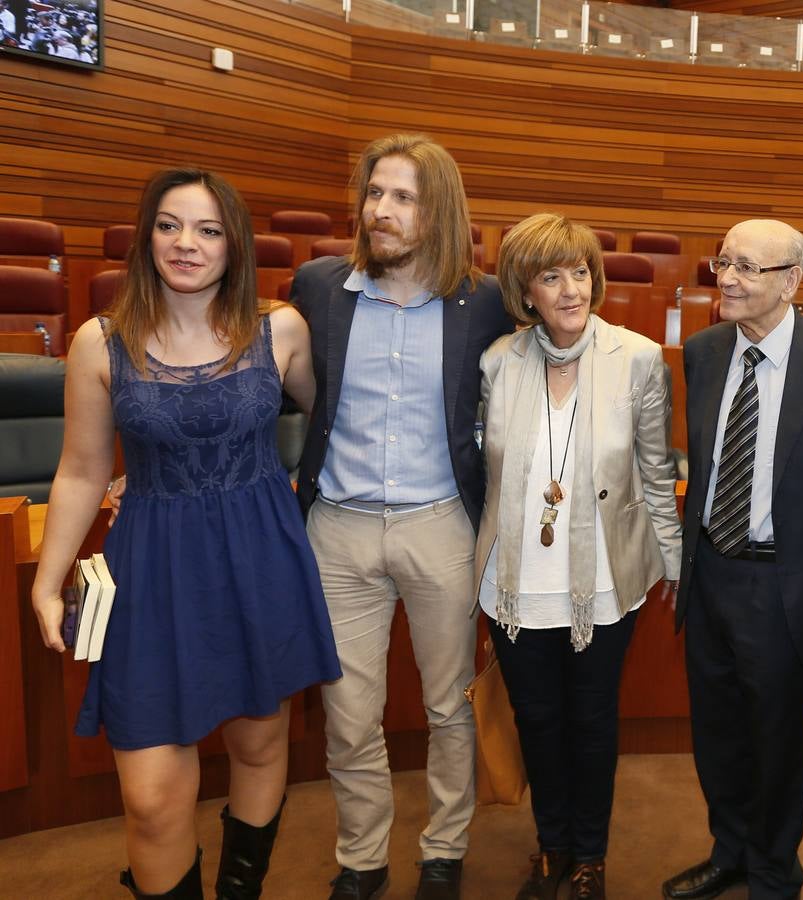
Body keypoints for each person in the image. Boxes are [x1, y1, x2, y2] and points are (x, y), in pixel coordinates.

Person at [30, 167, 341, 899]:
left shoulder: (280, 330)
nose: (186, 244)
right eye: (169, 225)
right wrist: (48, 582)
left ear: (234, 245)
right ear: (146, 236)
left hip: (261, 555)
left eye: (208, 229)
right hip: (153, 567)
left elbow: (333, 422)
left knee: (260, 749)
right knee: (151, 797)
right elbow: (79, 472)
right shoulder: (97, 343)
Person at [290, 133, 511, 900]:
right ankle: (362, 860)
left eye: (402, 197)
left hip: (440, 525)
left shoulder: (483, 303)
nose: (379, 211)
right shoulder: (318, 287)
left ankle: (444, 850)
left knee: (450, 705)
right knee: (348, 716)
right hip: (337, 530)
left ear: (438, 210)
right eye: (373, 194)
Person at [475, 212, 682, 900]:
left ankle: (590, 855)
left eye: (581, 271)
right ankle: (551, 846)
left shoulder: (639, 357)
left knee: (592, 724)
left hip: (603, 583)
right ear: (524, 289)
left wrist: (674, 563)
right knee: (537, 721)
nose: (572, 289)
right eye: (551, 275)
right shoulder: (498, 363)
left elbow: (656, 473)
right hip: (517, 581)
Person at [664, 219, 803, 900]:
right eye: (725, 262)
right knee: (717, 733)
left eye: (749, 267)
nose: (728, 279)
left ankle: (776, 872)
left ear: (793, 281)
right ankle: (731, 852)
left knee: (778, 742)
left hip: (783, 584)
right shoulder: (703, 349)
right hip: (712, 570)